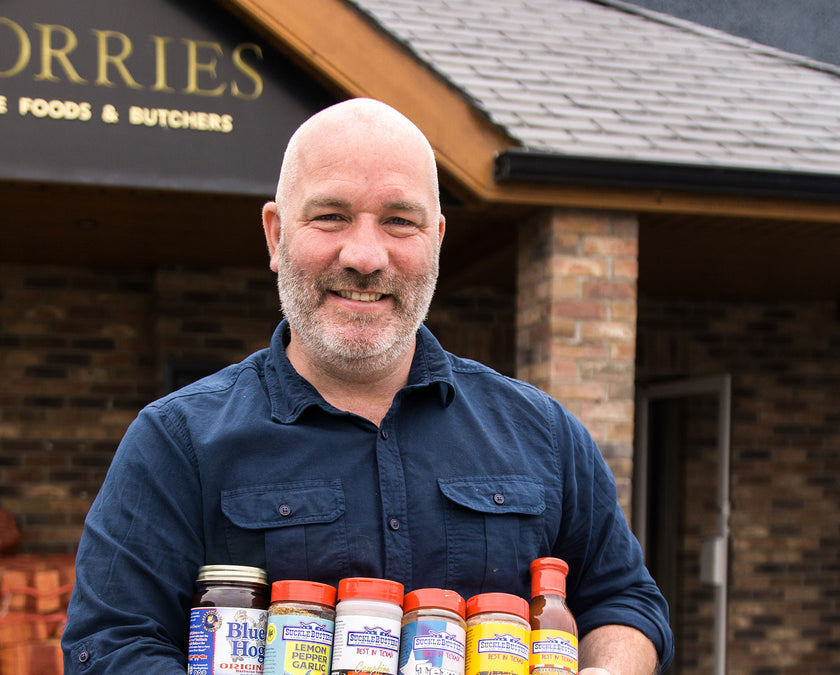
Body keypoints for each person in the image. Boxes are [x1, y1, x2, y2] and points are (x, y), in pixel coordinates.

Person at [61, 98, 674, 674]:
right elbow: (109, 646)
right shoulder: (176, 442)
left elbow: (622, 600)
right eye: (331, 216)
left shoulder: (543, 433)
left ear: (435, 240)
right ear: (276, 236)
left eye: (398, 221)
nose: (364, 255)